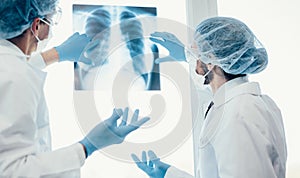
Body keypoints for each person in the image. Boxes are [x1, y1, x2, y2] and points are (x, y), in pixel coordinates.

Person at [0, 0, 150, 177]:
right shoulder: (17, 76)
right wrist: (86, 147)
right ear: (36, 26)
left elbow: (13, 69)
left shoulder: (10, 67)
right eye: (50, 21)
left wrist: (56, 54)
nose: (49, 34)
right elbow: (12, 172)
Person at [131, 16, 287, 178]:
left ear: (211, 60)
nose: (194, 60)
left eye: (195, 52)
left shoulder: (238, 114)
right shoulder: (245, 103)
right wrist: (170, 175)